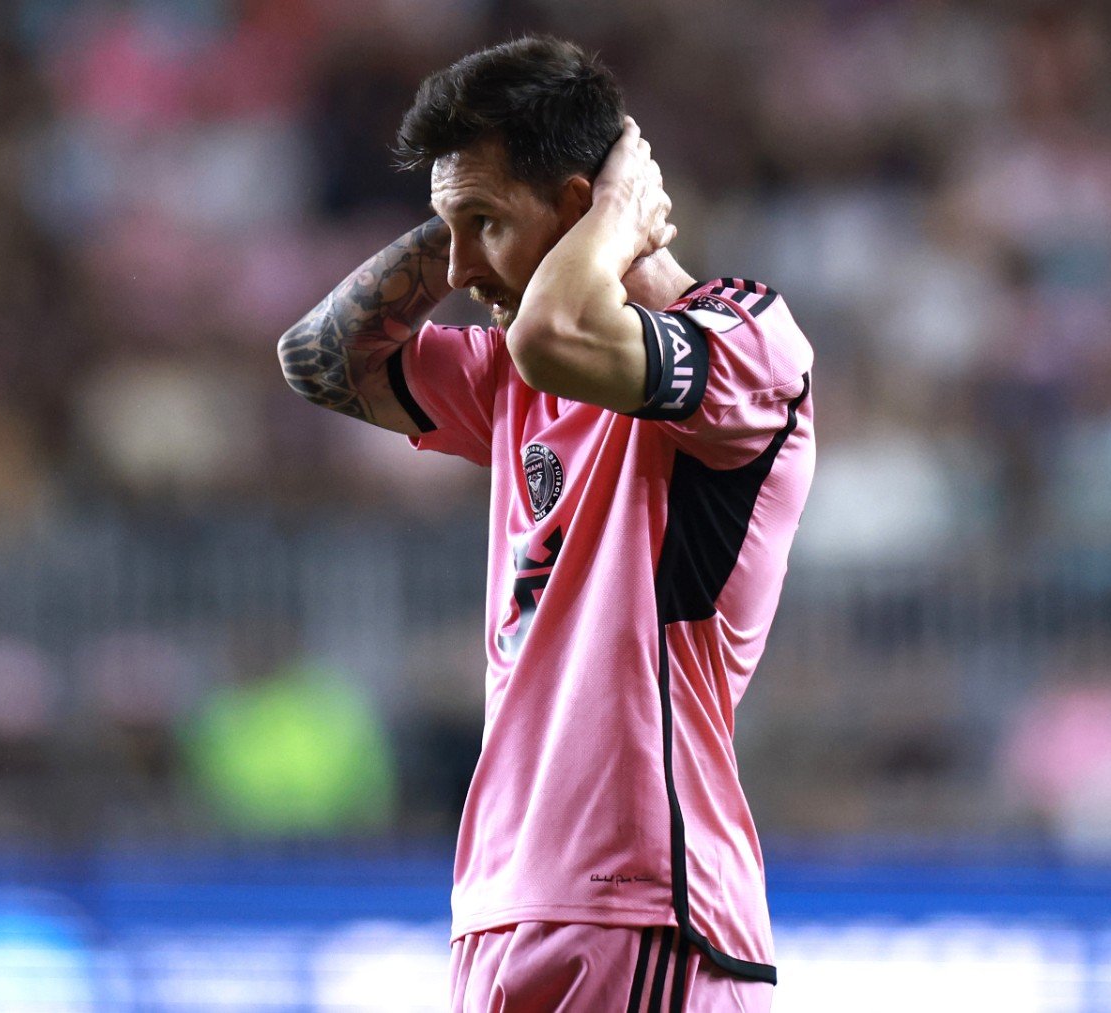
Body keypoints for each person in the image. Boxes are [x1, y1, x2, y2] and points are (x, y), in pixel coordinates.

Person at [277, 37, 814, 1012]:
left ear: (579, 206)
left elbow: (562, 333)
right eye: (452, 230)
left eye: (485, 223)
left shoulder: (749, 341)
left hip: (647, 903)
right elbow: (318, 356)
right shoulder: (516, 374)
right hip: (500, 905)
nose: (461, 265)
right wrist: (468, 224)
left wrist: (611, 223)